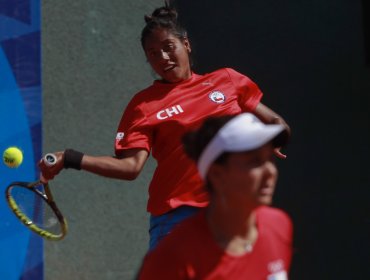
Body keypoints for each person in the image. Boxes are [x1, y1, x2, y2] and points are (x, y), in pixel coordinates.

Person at [39, 4, 291, 250]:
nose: (163, 57)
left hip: (231, 210)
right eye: (153, 53)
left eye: (169, 47)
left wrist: (270, 144)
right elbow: (130, 167)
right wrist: (69, 158)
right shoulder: (143, 105)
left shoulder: (227, 80)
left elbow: (277, 124)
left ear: (186, 44)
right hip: (176, 216)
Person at [137, 113, 293, 279]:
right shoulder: (172, 256)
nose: (270, 171)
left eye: (270, 159)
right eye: (254, 161)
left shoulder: (279, 225)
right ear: (217, 174)